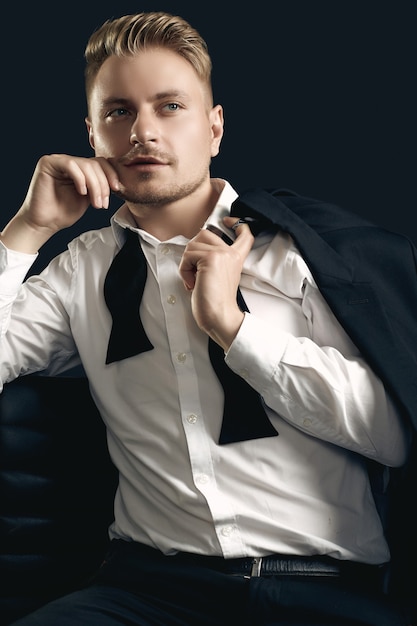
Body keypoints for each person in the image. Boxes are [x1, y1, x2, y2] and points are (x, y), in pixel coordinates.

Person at [0, 11, 416, 626]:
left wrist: (233, 327)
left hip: (318, 590)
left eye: (170, 107)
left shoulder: (301, 254)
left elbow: (392, 435)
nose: (143, 131)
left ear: (214, 128)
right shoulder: (80, 271)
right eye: (119, 111)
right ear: (92, 134)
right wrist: (26, 232)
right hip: (145, 592)